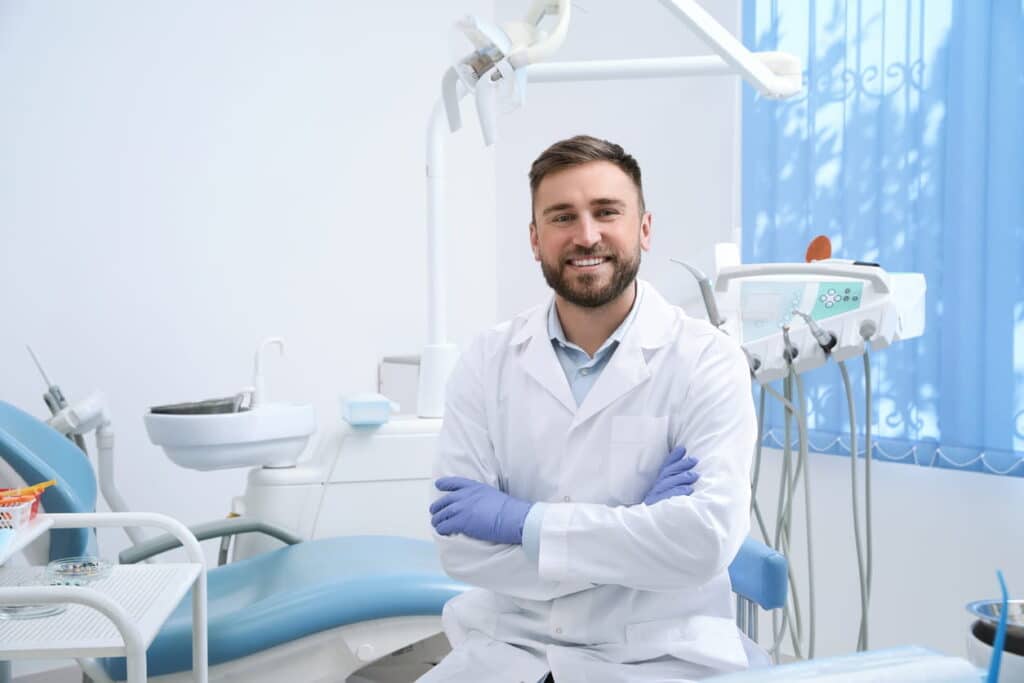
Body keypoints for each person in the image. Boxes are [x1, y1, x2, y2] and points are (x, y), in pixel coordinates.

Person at [419, 135, 761, 683]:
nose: (586, 235)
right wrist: (636, 530)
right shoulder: (487, 360)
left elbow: (703, 543)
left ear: (643, 229)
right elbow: (460, 551)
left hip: (658, 657)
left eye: (607, 212)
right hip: (509, 648)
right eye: (562, 217)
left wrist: (521, 523)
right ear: (535, 240)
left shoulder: (708, 362)